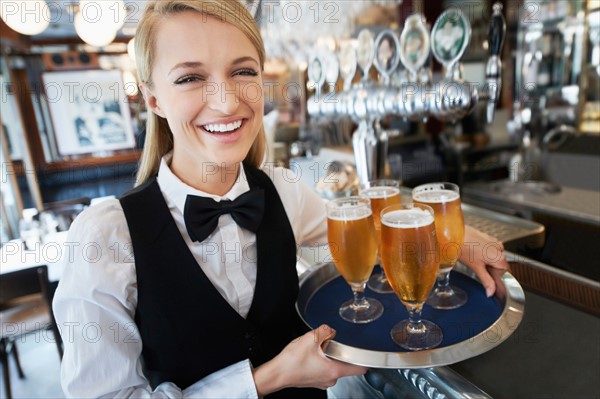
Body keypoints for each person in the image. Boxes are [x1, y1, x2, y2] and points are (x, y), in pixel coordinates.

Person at [53, 0, 509, 397]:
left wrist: (454, 239)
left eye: (243, 71)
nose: (227, 101)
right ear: (152, 98)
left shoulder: (282, 190)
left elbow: (363, 236)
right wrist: (268, 379)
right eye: (191, 78)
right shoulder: (106, 238)